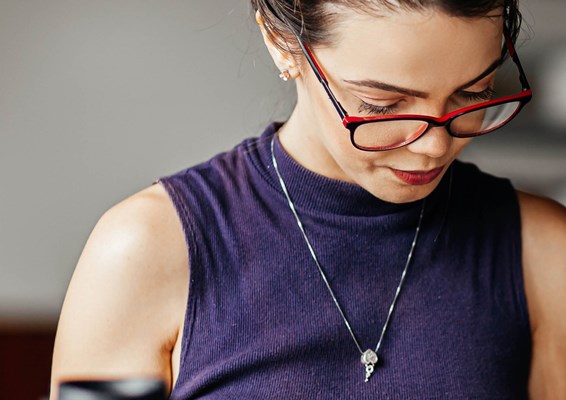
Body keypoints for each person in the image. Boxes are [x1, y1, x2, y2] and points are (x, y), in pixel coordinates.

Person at [50, 0, 566, 398]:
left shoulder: (544, 252)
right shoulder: (142, 251)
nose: (434, 145)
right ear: (281, 42)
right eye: (381, 104)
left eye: (472, 94)